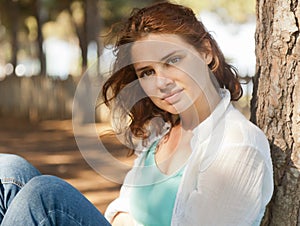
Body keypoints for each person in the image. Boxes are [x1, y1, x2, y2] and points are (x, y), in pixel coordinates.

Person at [0, 2, 273, 226]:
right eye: (147, 72)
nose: (161, 82)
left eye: (173, 60)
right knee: (7, 170)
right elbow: (119, 209)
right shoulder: (163, 131)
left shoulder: (236, 145)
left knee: (45, 196)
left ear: (206, 54)